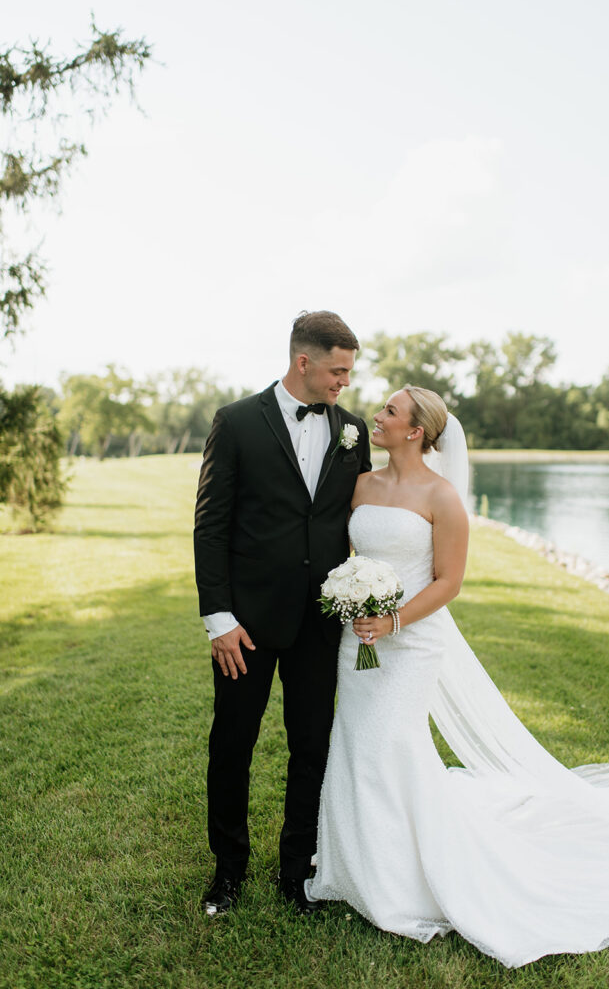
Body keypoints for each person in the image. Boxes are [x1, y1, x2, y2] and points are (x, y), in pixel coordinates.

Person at [306, 385, 609, 968]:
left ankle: (403, 883)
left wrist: (395, 619)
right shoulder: (362, 484)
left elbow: (449, 581)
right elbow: (352, 555)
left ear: (415, 432)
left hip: (412, 641)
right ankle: (353, 866)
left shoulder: (443, 496)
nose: (375, 417)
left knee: (392, 746)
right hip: (359, 638)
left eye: (390, 412)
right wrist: (355, 606)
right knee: (356, 743)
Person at [194, 311, 371, 916]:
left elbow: (359, 516)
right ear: (304, 362)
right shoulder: (237, 422)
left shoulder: (352, 430)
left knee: (312, 745)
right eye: (337, 371)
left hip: (320, 622)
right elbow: (210, 524)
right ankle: (228, 872)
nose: (344, 383)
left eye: (348, 372)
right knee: (233, 744)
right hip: (244, 623)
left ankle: (297, 873)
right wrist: (219, 617)